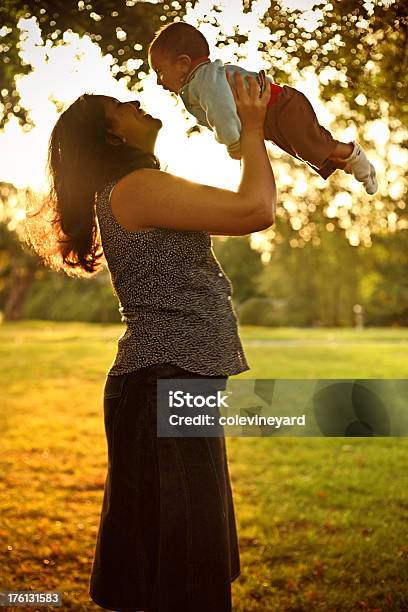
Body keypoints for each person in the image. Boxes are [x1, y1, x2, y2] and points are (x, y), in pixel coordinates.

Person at [26, 70, 275, 612]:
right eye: (120, 104)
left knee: (183, 563)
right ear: (113, 137)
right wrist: (251, 129)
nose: (135, 100)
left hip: (172, 382)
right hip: (164, 383)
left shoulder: (137, 188)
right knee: (182, 570)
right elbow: (257, 209)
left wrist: (242, 137)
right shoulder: (136, 190)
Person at [148, 21, 378, 195]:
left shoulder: (204, 79)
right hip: (270, 119)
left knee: (310, 145)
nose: (159, 81)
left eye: (159, 71)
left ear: (183, 63)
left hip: (281, 106)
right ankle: (341, 160)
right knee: (304, 152)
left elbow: (222, 112)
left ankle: (350, 152)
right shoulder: (201, 82)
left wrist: (234, 144)